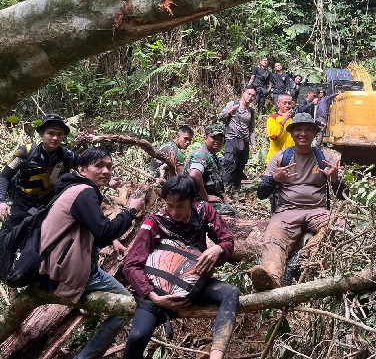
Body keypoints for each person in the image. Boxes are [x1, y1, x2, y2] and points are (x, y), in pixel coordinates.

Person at [38, 148, 145, 359]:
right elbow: (104, 231)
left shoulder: (75, 188)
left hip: (56, 264)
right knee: (126, 307)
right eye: (99, 166)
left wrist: (113, 241)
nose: (106, 171)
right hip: (65, 270)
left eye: (109, 167)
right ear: (82, 169)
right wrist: (131, 211)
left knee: (122, 304)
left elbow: (91, 227)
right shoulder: (83, 192)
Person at [122, 175, 239, 359]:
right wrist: (153, 296)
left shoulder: (204, 211)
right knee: (137, 337)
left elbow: (227, 240)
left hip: (194, 282)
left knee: (230, 293)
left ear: (193, 201)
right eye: (169, 205)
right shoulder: (155, 222)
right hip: (157, 289)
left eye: (180, 206)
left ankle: (216, 355)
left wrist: (218, 248)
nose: (174, 212)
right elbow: (130, 265)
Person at [250, 113, 341, 291]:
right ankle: (271, 279)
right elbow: (261, 193)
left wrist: (336, 179)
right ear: (291, 133)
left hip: (317, 210)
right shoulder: (280, 158)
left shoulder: (325, 158)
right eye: (298, 129)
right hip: (286, 211)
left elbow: (343, 195)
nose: (303, 133)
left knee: (339, 225)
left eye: (308, 129)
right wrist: (274, 179)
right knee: (273, 240)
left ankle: (301, 258)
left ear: (315, 133)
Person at [0, 113, 79, 237]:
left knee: (37, 239)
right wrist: (2, 201)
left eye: (59, 134)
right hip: (21, 203)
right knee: (6, 238)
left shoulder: (68, 157)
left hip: (46, 206)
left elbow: (87, 170)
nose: (55, 138)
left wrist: (108, 181)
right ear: (42, 134)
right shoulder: (26, 152)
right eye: (51, 133)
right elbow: (4, 175)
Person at [185, 124, 238, 214]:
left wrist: (227, 203)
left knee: (232, 212)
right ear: (205, 138)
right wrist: (206, 197)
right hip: (196, 202)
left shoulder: (213, 157)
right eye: (214, 138)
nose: (217, 141)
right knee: (230, 214)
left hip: (211, 200)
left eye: (220, 139)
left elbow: (220, 187)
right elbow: (194, 174)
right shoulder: (201, 155)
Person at [218, 88, 256, 195]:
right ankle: (224, 189)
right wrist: (230, 111)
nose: (250, 97)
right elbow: (220, 117)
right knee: (230, 163)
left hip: (244, 141)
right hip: (231, 138)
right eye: (249, 94)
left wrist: (253, 144)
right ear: (243, 93)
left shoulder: (251, 112)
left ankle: (236, 189)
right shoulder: (232, 104)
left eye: (253, 96)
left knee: (241, 165)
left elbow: (251, 129)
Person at [266, 94, 295, 163]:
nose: (287, 106)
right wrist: (283, 120)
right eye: (285, 103)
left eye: (289, 103)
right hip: (276, 160)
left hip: (290, 159)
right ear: (278, 104)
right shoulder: (272, 119)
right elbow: (273, 136)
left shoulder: (291, 120)